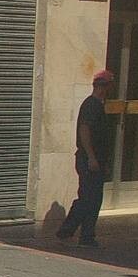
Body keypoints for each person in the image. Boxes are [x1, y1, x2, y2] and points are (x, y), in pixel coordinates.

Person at [56, 69, 113, 248]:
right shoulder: (91, 105)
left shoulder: (97, 105)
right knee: (89, 197)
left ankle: (84, 235)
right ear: (103, 87)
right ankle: (71, 228)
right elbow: (84, 130)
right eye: (109, 85)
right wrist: (91, 157)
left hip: (95, 159)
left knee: (92, 198)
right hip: (89, 160)